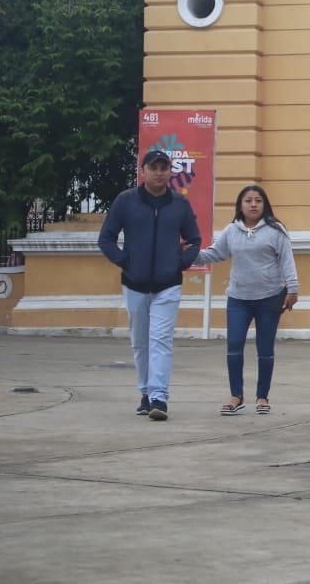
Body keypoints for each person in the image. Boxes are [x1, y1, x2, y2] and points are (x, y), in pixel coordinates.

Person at [97, 150, 202, 421]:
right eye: (153, 168)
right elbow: (106, 239)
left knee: (161, 340)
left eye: (163, 168)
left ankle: (159, 398)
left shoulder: (180, 204)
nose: (158, 173)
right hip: (134, 283)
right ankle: (145, 393)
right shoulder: (126, 201)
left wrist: (180, 263)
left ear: (170, 172)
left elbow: (194, 240)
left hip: (168, 284)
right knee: (140, 342)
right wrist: (125, 262)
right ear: (142, 171)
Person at [195, 185, 299, 416]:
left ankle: (262, 396)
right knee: (234, 346)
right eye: (248, 201)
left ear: (265, 205)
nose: (253, 205)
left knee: (265, 349)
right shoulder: (232, 231)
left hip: (269, 299)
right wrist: (189, 253)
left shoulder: (276, 230)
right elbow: (214, 253)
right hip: (238, 299)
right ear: (240, 206)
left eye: (258, 201)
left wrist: (293, 289)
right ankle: (236, 396)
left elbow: (287, 260)